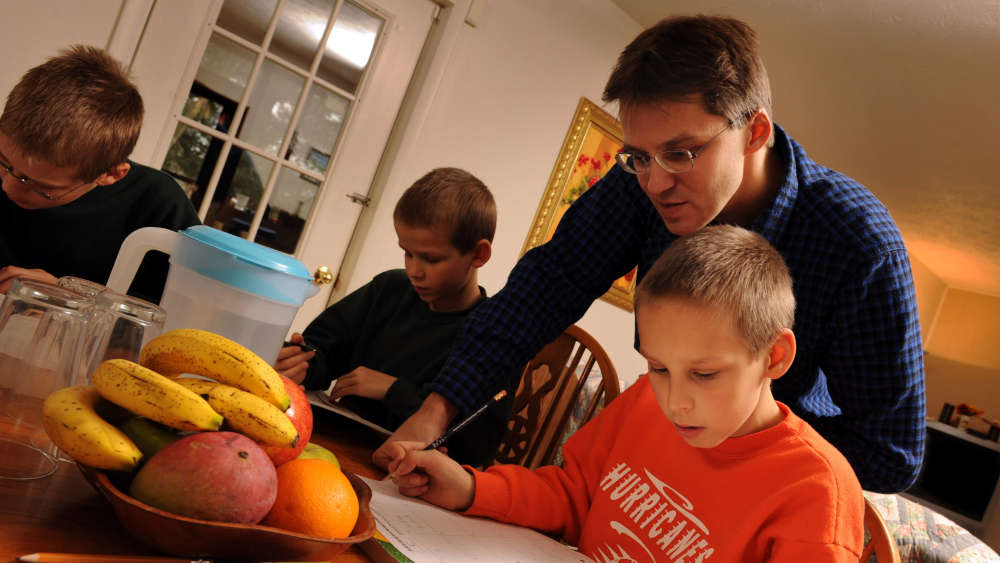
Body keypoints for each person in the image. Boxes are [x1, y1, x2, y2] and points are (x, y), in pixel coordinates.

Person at [377, 15, 925, 493]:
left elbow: (891, 454)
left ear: (754, 131)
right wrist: (435, 413)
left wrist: (731, 447)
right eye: (638, 155)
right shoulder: (638, 182)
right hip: (653, 467)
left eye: (682, 152)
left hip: (776, 481)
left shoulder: (858, 240)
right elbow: (542, 289)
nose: (656, 183)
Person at [388, 225, 865, 562]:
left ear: (774, 357)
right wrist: (472, 488)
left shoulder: (816, 492)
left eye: (704, 374)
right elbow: (575, 494)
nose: (675, 401)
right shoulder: (643, 402)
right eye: (659, 367)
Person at [275, 167, 513, 467]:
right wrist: (302, 362)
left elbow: (474, 446)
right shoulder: (390, 288)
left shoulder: (492, 335)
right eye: (407, 253)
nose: (414, 270)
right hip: (328, 442)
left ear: (479, 255)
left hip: (399, 471)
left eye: (431, 258)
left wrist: (392, 389)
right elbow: (325, 348)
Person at [0, 45, 200, 303]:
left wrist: (74, 298)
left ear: (111, 174)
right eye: (4, 164)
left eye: (40, 187)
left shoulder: (157, 205)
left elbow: (187, 313)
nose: (9, 187)